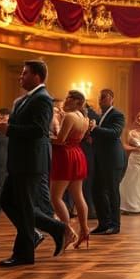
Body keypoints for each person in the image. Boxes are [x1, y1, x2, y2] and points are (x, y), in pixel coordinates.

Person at [0, 60, 71, 266]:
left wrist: (9, 130)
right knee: (8, 202)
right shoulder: (25, 99)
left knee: (23, 205)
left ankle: (24, 253)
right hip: (19, 161)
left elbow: (39, 130)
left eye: (25, 73)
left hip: (30, 162)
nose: (20, 77)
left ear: (37, 76)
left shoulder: (43, 99)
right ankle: (53, 230)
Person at [50, 90, 90, 249]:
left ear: (78, 103)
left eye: (69, 99)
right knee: (78, 196)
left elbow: (60, 141)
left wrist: (45, 136)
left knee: (55, 197)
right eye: (66, 98)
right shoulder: (84, 118)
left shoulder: (70, 116)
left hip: (66, 156)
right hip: (77, 154)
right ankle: (85, 230)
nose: (66, 101)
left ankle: (67, 232)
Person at [91, 88, 127, 235]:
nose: (101, 100)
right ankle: (103, 223)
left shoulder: (117, 114)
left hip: (113, 159)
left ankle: (115, 225)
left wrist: (94, 128)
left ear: (112, 98)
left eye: (104, 97)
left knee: (112, 192)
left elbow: (115, 133)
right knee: (96, 190)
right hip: (100, 159)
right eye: (100, 98)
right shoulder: (101, 116)